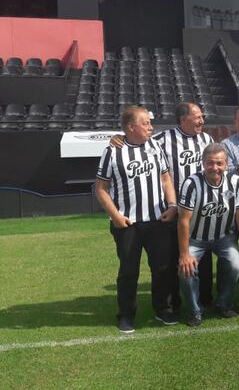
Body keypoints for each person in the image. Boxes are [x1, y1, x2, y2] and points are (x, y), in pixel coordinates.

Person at [109, 101, 215, 311]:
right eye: (198, 117)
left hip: (203, 210)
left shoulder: (207, 139)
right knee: (174, 257)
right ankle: (173, 302)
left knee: (204, 257)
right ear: (184, 119)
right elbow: (137, 142)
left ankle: (205, 298)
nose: (202, 120)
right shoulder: (163, 140)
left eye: (202, 116)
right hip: (175, 211)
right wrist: (118, 138)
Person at [95, 106, 179, 333]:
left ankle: (162, 309)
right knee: (129, 271)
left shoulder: (155, 146)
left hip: (158, 221)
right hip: (128, 224)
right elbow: (101, 188)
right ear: (131, 127)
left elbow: (166, 179)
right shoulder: (112, 152)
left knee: (162, 268)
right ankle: (126, 315)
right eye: (145, 123)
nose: (151, 127)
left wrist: (172, 206)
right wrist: (115, 216)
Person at [177, 143, 239, 326]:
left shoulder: (235, 182)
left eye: (219, 163)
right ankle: (195, 311)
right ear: (203, 163)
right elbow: (183, 221)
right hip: (196, 238)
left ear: (226, 164)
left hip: (224, 238)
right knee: (186, 271)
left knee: (238, 266)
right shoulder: (191, 183)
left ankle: (223, 303)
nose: (215, 168)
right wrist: (184, 254)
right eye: (210, 163)